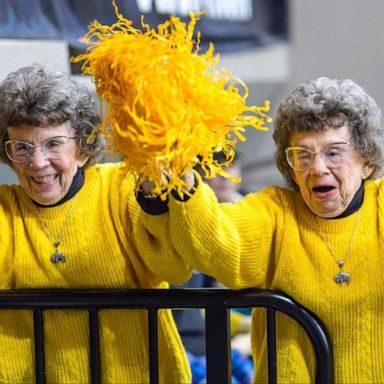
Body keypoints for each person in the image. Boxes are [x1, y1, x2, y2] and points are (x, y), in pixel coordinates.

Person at [143, 77, 384, 383]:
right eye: (303, 155)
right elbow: (215, 240)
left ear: (366, 161)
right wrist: (185, 183)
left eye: (333, 152)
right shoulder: (274, 212)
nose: (318, 168)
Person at [0, 64, 193, 383]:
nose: (36, 162)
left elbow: (174, 268)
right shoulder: (6, 208)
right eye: (22, 147)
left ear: (83, 148)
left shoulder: (122, 187)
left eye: (53, 144)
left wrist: (156, 198)